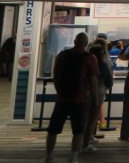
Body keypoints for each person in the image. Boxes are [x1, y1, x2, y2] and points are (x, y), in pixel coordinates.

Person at [45, 32, 99, 163]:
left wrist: (59, 90)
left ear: (75, 41)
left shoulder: (63, 55)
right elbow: (93, 80)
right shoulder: (90, 58)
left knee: (53, 129)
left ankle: (49, 156)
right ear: (86, 44)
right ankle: (74, 158)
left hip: (62, 98)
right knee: (78, 131)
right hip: (79, 99)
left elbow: (55, 75)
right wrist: (95, 98)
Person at [83, 44, 112, 151]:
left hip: (85, 93)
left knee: (84, 117)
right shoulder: (103, 65)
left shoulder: (85, 63)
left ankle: (81, 139)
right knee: (92, 118)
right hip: (99, 93)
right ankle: (87, 141)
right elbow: (109, 81)